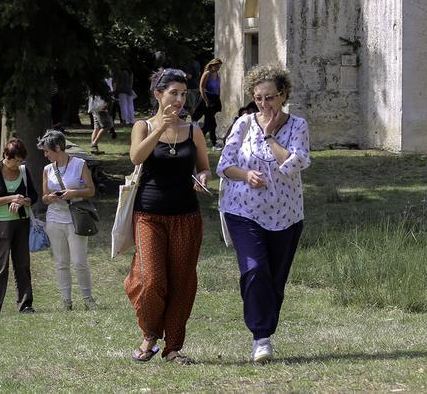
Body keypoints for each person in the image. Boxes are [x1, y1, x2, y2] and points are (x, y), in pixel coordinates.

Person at [216, 63, 310, 363]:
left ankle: (265, 327)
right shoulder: (243, 124)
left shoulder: (298, 126)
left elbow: (296, 163)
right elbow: (224, 165)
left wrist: (270, 136)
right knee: (255, 269)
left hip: (286, 215)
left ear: (283, 95)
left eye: (269, 97)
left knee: (275, 279)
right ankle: (261, 337)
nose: (263, 104)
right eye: (258, 98)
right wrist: (245, 175)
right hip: (243, 211)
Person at [125, 68, 211, 364]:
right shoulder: (143, 126)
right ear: (158, 94)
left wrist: (202, 177)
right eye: (173, 93)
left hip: (186, 216)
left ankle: (173, 347)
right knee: (151, 280)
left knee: (182, 281)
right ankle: (149, 335)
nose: (179, 99)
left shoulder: (194, 130)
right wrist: (161, 128)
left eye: (183, 94)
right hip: (149, 214)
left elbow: (204, 167)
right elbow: (136, 157)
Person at [38, 129, 98, 311]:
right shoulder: (47, 169)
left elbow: (91, 191)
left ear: (58, 147)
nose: (45, 154)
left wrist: (73, 193)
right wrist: (50, 198)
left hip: (75, 218)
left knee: (79, 261)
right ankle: (67, 302)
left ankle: (88, 299)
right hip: (54, 218)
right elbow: (44, 196)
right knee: (61, 262)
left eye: (47, 150)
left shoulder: (79, 164)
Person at [0, 137, 38, 318]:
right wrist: (10, 199)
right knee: (0, 265)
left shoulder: (23, 171)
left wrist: (23, 201)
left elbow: (33, 196)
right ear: (6, 155)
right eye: (16, 160)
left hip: (21, 222)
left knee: (22, 264)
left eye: (21, 160)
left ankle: (26, 304)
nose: (18, 164)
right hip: (0, 223)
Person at [191, 58, 223, 147]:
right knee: (211, 122)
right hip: (206, 98)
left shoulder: (217, 75)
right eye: (216, 66)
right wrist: (206, 100)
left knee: (210, 122)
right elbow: (201, 88)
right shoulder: (207, 74)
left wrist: (218, 98)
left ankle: (198, 140)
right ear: (212, 65)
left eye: (219, 67)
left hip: (214, 98)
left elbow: (218, 88)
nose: (218, 68)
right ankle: (212, 142)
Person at [89, 78, 115, 153]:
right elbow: (105, 93)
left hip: (95, 107)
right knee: (107, 126)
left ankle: (94, 147)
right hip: (101, 107)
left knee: (96, 128)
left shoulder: (95, 81)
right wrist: (106, 103)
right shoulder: (101, 82)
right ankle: (94, 143)